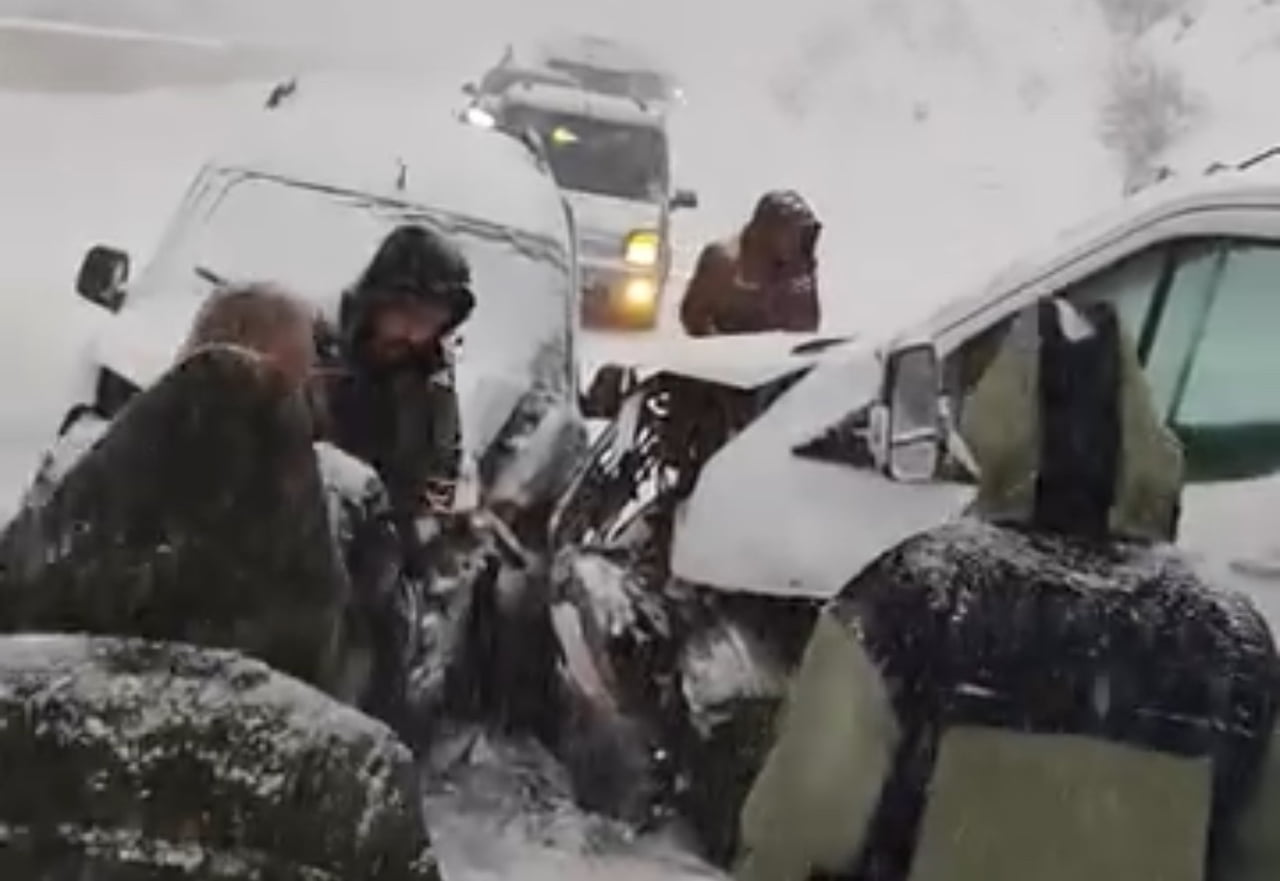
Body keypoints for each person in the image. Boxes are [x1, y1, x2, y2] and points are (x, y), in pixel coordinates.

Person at [734, 299, 1280, 881]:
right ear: (1145, 436)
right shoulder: (1231, 643)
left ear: (996, 429)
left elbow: (799, 833)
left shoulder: (908, 603)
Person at [320, 224, 476, 569]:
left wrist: (442, 530)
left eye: (430, 320)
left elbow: (444, 470)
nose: (414, 333)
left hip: (387, 562)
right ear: (375, 303)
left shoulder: (430, 384)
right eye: (405, 314)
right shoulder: (316, 355)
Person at [679, 190, 821, 337]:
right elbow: (693, 318)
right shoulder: (721, 263)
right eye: (792, 233)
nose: (799, 240)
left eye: (803, 234)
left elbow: (806, 329)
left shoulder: (798, 270)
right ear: (768, 231)